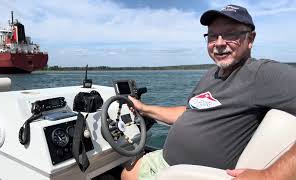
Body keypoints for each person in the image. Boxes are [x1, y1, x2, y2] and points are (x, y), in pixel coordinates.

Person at [121, 4, 296, 180]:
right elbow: (190, 112)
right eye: (213, 36)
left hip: (194, 174)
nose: (219, 43)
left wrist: (271, 175)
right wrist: (144, 109)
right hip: (166, 162)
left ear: (250, 39)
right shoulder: (211, 74)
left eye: (230, 34)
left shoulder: (261, 73)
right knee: (128, 171)